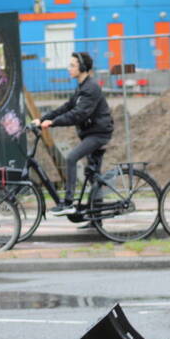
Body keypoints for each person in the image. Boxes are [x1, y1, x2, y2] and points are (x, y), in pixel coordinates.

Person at [39, 51, 113, 216]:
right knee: (94, 175)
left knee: (71, 157)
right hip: (90, 133)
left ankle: (68, 202)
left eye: (72, 65)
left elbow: (78, 114)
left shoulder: (91, 88)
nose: (69, 68)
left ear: (83, 68)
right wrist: (43, 118)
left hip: (99, 133)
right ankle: (96, 218)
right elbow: (67, 107)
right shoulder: (82, 87)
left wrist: (53, 122)